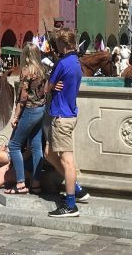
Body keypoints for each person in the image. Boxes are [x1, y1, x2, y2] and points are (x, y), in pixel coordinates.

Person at [44, 29, 88, 217]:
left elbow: (46, 89)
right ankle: (76, 189)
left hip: (61, 118)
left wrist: (52, 85)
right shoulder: (76, 63)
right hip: (69, 114)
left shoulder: (61, 63)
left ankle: (71, 204)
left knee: (67, 162)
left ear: (62, 45)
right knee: (48, 153)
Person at [7, 42, 47, 194]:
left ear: (25, 55)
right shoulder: (42, 70)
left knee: (14, 146)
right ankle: (36, 184)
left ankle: (20, 183)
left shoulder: (27, 71)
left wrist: (16, 116)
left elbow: (23, 98)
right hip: (41, 109)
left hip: (29, 111)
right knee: (37, 147)